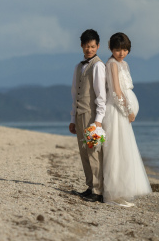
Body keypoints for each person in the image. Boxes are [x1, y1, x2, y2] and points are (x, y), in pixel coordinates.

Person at [102, 32, 152, 206]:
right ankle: (112, 194)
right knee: (116, 150)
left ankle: (122, 191)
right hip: (116, 110)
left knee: (124, 149)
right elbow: (116, 90)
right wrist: (128, 110)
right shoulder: (112, 64)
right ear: (111, 48)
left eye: (124, 49)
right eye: (117, 50)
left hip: (122, 111)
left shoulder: (124, 64)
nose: (121, 53)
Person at [68, 29, 106, 203]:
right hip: (79, 114)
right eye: (86, 46)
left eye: (92, 46)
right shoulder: (78, 66)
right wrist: (72, 119)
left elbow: (100, 96)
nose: (89, 49)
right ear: (82, 46)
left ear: (97, 46)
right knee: (84, 152)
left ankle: (98, 190)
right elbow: (74, 93)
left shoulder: (98, 66)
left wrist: (98, 121)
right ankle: (90, 186)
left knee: (94, 152)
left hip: (92, 116)